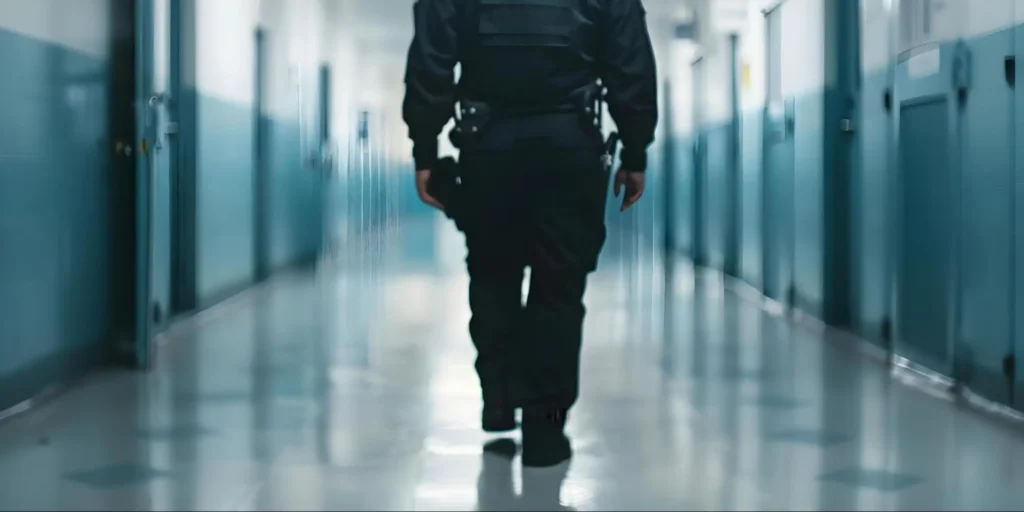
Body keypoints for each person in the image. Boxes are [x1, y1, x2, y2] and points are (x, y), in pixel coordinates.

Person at [402, 0, 657, 467]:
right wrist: (635, 150)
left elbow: (432, 56)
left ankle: (499, 398)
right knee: (558, 290)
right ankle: (545, 428)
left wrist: (424, 147)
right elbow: (630, 62)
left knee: (493, 273)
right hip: (571, 145)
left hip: (487, 146)